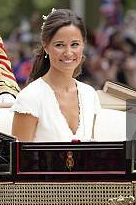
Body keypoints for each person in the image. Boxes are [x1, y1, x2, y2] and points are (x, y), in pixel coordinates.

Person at [11, 9, 101, 142]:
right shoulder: (30, 97)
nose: (68, 53)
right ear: (46, 46)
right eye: (60, 45)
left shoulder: (89, 95)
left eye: (75, 44)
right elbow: (19, 159)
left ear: (83, 45)